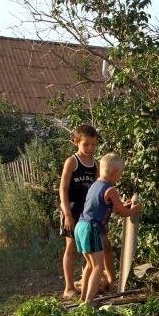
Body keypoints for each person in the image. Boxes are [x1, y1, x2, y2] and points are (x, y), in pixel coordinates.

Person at [74, 153, 142, 304]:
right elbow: (123, 212)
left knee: (90, 266)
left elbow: (113, 208)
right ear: (114, 172)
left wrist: (124, 205)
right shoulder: (111, 190)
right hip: (92, 228)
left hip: (81, 226)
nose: (120, 177)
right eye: (120, 174)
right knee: (98, 267)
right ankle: (89, 303)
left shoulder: (95, 185)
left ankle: (83, 298)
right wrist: (134, 210)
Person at [59, 124, 105, 299]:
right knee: (70, 247)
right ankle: (69, 287)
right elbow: (63, 189)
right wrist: (67, 215)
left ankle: (87, 282)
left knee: (91, 248)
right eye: (86, 144)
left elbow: (100, 188)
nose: (90, 148)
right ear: (76, 142)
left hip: (88, 214)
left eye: (93, 145)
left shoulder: (96, 165)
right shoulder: (72, 162)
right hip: (71, 209)